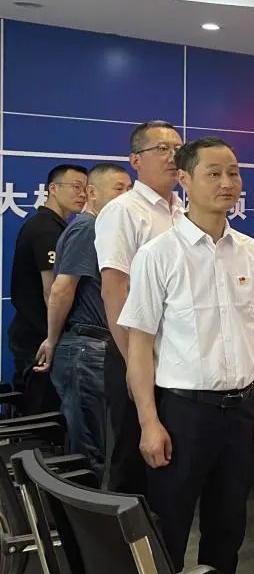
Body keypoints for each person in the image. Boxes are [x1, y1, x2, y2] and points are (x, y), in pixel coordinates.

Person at [120, 137, 254, 574]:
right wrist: (149, 423)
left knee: (229, 528)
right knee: (168, 526)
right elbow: (140, 346)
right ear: (184, 179)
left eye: (234, 173)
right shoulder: (158, 254)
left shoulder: (253, 252)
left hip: (241, 411)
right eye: (214, 173)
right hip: (182, 414)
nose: (227, 183)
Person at [96, 120, 183, 494]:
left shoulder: (183, 211)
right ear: (135, 160)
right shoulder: (124, 211)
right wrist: (134, 364)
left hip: (176, 355)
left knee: (168, 460)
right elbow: (114, 290)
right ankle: (124, 533)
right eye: (162, 149)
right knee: (132, 460)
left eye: (178, 148)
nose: (173, 156)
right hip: (135, 351)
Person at [33, 164, 133, 480]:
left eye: (129, 189)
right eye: (118, 189)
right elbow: (61, 289)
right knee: (91, 450)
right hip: (86, 350)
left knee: (100, 443)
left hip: (96, 349)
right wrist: (52, 339)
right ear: (92, 192)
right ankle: (88, 510)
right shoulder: (88, 229)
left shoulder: (103, 229)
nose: (126, 197)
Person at [8, 163, 88, 414]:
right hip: (40, 337)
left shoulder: (57, 226)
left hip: (40, 334)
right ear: (53, 188)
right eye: (76, 187)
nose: (82, 194)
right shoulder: (46, 229)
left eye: (86, 188)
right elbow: (52, 290)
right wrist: (55, 338)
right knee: (44, 417)